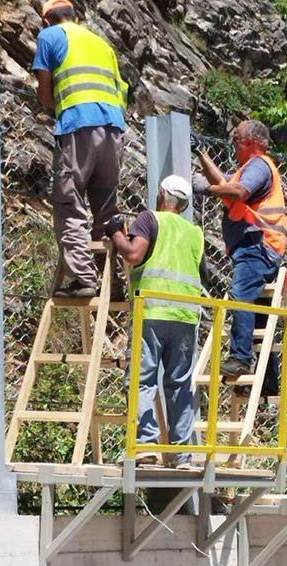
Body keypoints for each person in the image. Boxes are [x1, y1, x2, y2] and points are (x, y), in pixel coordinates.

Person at [105, 176, 204, 468]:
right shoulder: (194, 233)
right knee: (180, 384)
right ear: (184, 204)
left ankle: (146, 445)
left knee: (142, 379)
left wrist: (116, 234)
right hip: (186, 315)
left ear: (162, 194)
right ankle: (181, 455)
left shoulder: (150, 219)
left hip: (152, 311)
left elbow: (134, 254)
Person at [33, 0, 128, 297]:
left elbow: (45, 90)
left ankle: (85, 278)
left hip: (77, 125)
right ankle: (113, 283)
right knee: (106, 208)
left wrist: (54, 107)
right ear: (75, 16)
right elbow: (121, 89)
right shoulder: (101, 44)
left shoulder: (50, 36)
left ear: (47, 20)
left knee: (69, 201)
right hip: (113, 128)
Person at [192, 120, 287, 377]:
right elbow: (227, 184)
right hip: (259, 246)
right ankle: (267, 379)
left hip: (258, 245)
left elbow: (237, 192)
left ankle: (240, 358)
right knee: (257, 316)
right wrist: (202, 155)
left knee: (241, 294)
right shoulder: (249, 168)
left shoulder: (259, 165)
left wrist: (205, 189)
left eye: (237, 139)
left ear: (251, 143)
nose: (233, 143)